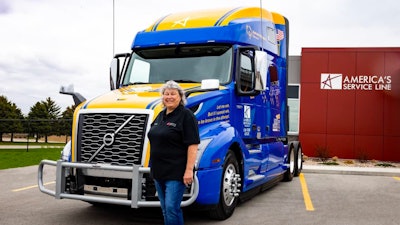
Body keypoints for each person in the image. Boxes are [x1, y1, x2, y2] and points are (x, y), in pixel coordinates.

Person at [147, 80, 200, 225]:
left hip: (177, 171)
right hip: (159, 171)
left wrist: (189, 170)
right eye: (166, 94)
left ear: (180, 97)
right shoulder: (160, 115)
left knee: (172, 208)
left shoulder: (186, 116)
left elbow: (193, 145)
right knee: (164, 208)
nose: (169, 97)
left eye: (173, 94)